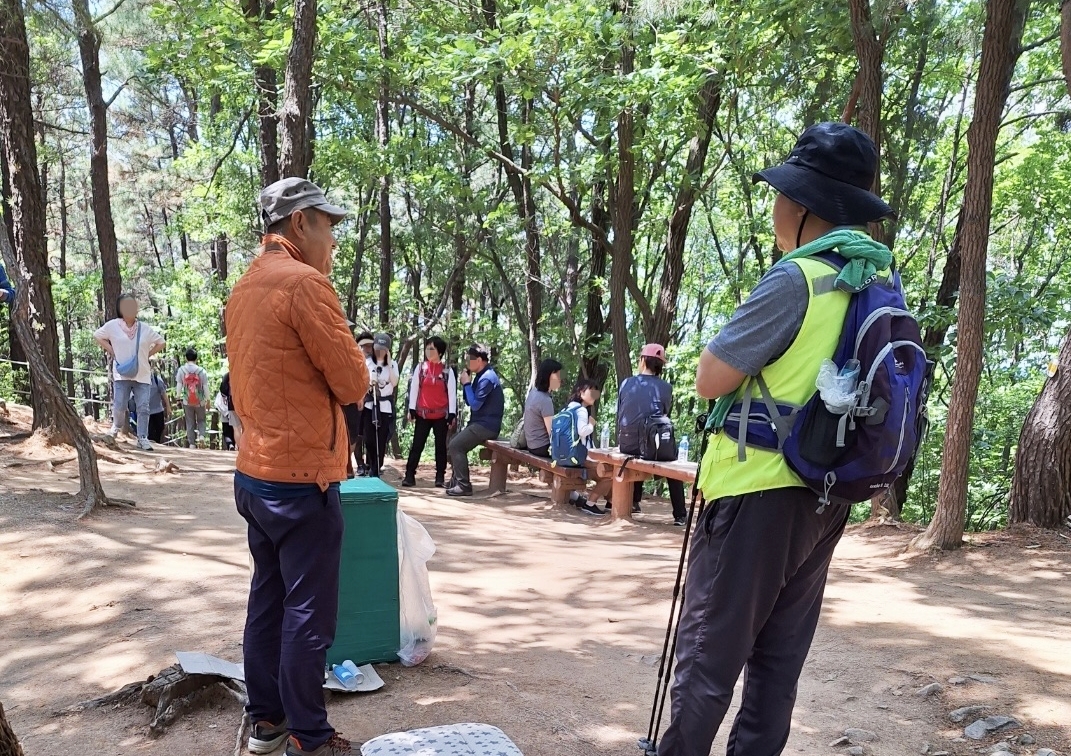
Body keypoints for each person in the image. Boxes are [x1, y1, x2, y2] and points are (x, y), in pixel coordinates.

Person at [656, 123, 895, 756]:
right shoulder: (870, 282)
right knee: (777, 663)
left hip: (757, 490)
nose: (775, 205)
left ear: (803, 206)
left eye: (782, 194)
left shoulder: (797, 279)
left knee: (708, 656)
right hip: (826, 495)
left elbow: (711, 377)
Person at [225, 177, 370, 756]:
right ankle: (310, 737)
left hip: (254, 476)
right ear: (299, 223)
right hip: (301, 480)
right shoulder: (304, 284)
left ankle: (267, 721)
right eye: (327, 224)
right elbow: (353, 381)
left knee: (268, 598)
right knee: (307, 613)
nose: (333, 239)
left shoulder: (243, 287)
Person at [617, 343, 687, 525]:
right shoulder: (665, 387)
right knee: (669, 457)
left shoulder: (626, 383)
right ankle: (680, 515)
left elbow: (621, 412)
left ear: (642, 361)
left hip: (626, 444)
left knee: (642, 438)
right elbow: (664, 414)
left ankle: (634, 501)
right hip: (651, 447)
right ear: (661, 366)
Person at [94, 294, 166, 451]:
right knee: (120, 404)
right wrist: (112, 351)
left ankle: (142, 438)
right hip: (122, 373)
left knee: (143, 407)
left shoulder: (145, 329)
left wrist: (147, 354)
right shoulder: (112, 325)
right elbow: (97, 336)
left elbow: (161, 342)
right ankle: (115, 429)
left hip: (142, 374)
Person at [446, 343, 503, 496]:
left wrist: (466, 384)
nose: (467, 363)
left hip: (487, 426)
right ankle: (457, 480)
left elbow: (475, 405)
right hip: (479, 423)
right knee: (452, 442)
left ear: (479, 360)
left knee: (456, 445)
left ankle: (464, 485)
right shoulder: (480, 376)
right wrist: (466, 385)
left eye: (469, 360)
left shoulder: (487, 378)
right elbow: (468, 400)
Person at [403, 336, 457, 488]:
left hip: (440, 416)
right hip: (423, 415)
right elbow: (414, 388)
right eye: (427, 348)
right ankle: (409, 475)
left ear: (439, 352)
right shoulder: (420, 368)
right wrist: (411, 409)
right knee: (417, 445)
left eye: (432, 348)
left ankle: (440, 476)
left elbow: (452, 394)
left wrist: (451, 414)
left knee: (440, 446)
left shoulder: (447, 371)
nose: (428, 351)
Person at [559, 379, 607, 516]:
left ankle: (609, 502)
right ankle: (590, 504)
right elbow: (582, 431)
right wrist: (591, 424)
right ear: (581, 392)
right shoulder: (581, 410)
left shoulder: (567, 408)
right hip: (579, 458)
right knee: (609, 474)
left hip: (564, 456)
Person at [362, 332, 400, 478]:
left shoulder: (393, 364)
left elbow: (394, 382)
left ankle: (376, 468)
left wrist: (389, 363)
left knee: (382, 438)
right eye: (377, 349)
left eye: (383, 350)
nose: (379, 352)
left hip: (385, 406)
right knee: (369, 438)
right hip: (370, 405)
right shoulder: (368, 363)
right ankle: (371, 464)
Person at [522, 358, 562, 457]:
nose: (560, 378)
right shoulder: (545, 400)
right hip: (541, 447)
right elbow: (552, 432)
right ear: (549, 375)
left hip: (532, 445)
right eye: (557, 375)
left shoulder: (534, 392)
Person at [348, 332, 374, 476]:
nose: (367, 349)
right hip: (353, 401)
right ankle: (356, 464)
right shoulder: (351, 359)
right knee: (354, 434)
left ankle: (371, 464)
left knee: (368, 434)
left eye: (370, 346)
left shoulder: (377, 362)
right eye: (364, 346)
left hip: (371, 403)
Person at [175, 348, 209, 448]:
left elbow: (179, 384)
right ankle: (202, 436)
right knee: (201, 420)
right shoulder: (202, 371)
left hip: (187, 400)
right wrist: (208, 399)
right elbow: (205, 386)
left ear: (186, 358)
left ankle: (192, 444)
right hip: (200, 400)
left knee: (190, 421)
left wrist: (178, 397)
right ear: (196, 358)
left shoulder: (181, 370)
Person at [146, 366, 171, 443]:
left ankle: (157, 445)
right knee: (150, 434)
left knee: (160, 429)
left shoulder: (157, 380)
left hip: (158, 410)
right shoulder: (139, 382)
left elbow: (164, 394)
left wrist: (168, 407)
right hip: (146, 412)